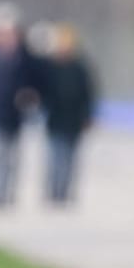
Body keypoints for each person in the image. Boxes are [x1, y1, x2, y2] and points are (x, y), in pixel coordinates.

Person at [0, 4, 39, 209]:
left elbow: (35, 84)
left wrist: (30, 97)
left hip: (16, 116)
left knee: (12, 160)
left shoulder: (26, 58)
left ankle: (6, 196)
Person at [40, 23, 97, 206]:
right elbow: (43, 92)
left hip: (74, 120)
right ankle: (54, 192)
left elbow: (88, 94)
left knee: (71, 160)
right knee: (56, 158)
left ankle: (65, 193)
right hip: (55, 119)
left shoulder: (80, 68)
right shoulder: (50, 67)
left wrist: (88, 116)